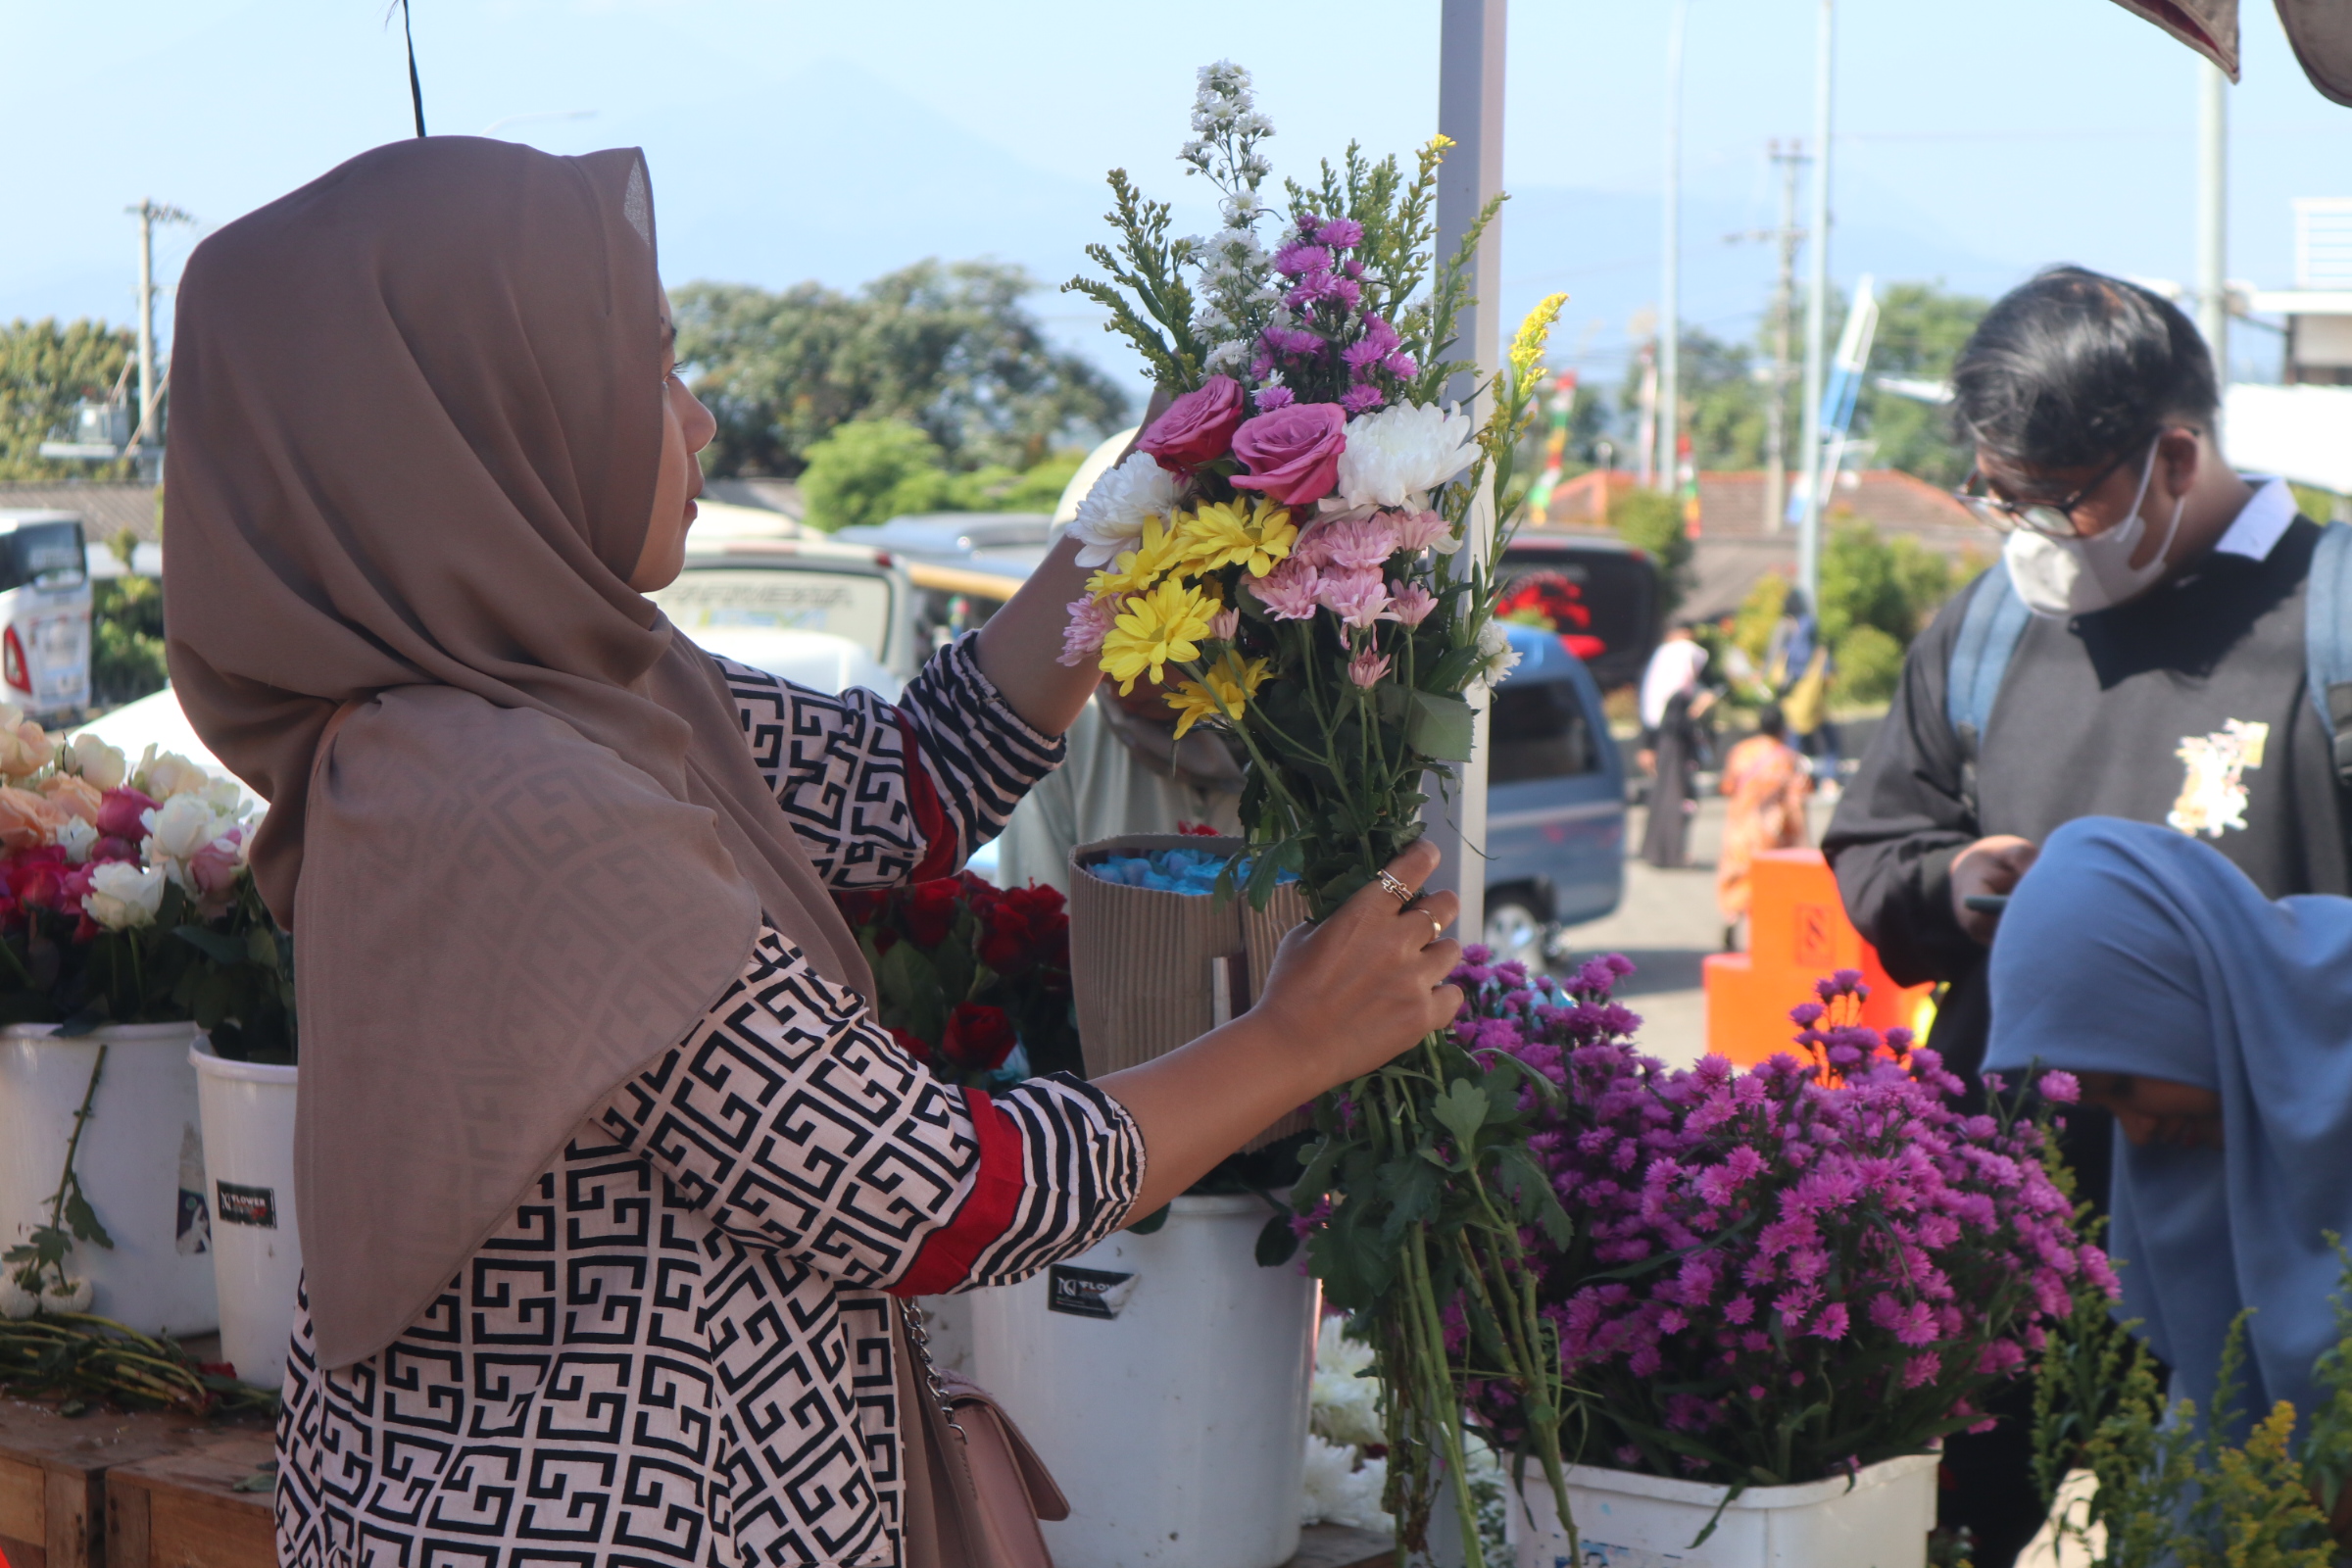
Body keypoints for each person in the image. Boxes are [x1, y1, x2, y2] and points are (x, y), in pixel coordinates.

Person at [161, 138, 1464, 1568]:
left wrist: (1150, 498)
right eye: (652, 366)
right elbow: (932, 1195)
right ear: (490, 421)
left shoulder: (549, 697)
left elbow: (918, 778)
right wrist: (1292, 1040)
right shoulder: (513, 808)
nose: (699, 418)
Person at [1822, 264, 2349, 1568]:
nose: (2033, 530)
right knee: (1945, 1534)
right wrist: (1948, 882)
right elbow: (1875, 837)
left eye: (2062, 497)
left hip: (2266, 1243)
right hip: (2002, 1233)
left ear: (2176, 456)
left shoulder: (2328, 624)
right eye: (2002, 495)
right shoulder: (1992, 628)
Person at [1984, 815, 2343, 1438]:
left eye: (2126, 1085)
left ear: (2179, 998)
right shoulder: (2208, 1123)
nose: (2138, 1132)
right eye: (2106, 1107)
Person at [994, 675, 1245, 893]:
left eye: (1139, 645)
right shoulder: (1056, 737)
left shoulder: (1269, 741)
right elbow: (1038, 905)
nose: (1111, 681)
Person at [1715, 704, 1812, 949]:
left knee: (1738, 878)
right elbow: (1795, 801)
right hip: (1770, 833)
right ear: (1782, 729)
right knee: (1766, 884)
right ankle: (1763, 937)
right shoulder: (1788, 759)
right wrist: (1804, 839)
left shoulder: (1741, 751)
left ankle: (1731, 918)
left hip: (1739, 828)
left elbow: (1727, 786)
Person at [1637, 623, 1714, 868]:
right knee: (1674, 799)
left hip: (1671, 748)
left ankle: (1664, 852)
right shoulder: (1678, 695)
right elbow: (1678, 723)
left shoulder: (1672, 688)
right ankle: (1671, 853)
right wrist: (1698, 710)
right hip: (1675, 751)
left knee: (1668, 798)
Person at [1766, 587, 1839, 792]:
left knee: (1794, 744)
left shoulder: (1790, 628)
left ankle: (1791, 782)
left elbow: (1788, 661)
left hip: (1795, 699)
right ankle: (1829, 778)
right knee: (1830, 741)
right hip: (1814, 697)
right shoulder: (1809, 626)